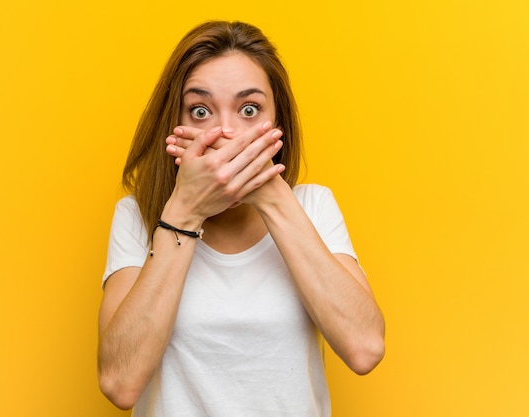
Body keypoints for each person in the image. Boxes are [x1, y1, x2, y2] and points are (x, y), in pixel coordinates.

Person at [97, 20, 385, 416]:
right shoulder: (138, 218)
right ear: (173, 125)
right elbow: (119, 381)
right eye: (200, 111)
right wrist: (185, 210)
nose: (226, 133)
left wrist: (270, 194)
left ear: (277, 123)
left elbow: (365, 348)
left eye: (249, 110)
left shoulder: (313, 207)